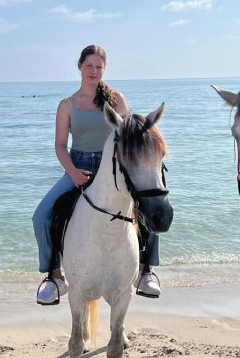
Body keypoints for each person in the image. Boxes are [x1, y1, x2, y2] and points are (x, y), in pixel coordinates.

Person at [33, 45, 163, 304]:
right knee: (41, 216)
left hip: (114, 169)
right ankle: (54, 276)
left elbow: (129, 138)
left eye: (99, 67)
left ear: (105, 69)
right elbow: (60, 146)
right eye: (89, 65)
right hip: (78, 166)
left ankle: (145, 271)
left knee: (149, 205)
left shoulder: (116, 99)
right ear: (79, 66)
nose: (94, 71)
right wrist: (72, 172)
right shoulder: (67, 105)